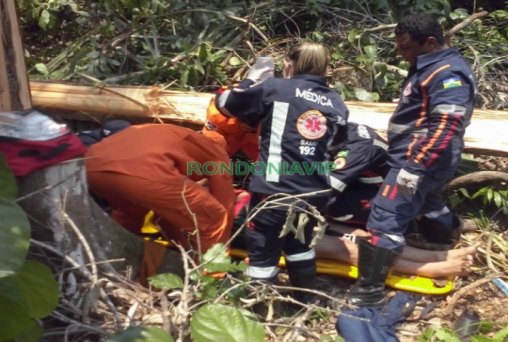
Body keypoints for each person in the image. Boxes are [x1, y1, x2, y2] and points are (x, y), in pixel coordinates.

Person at [345, 13, 477, 307]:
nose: (401, 54)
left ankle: (368, 292)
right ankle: (446, 234)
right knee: (428, 202)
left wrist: (413, 165)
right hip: (423, 160)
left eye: (406, 48)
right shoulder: (427, 67)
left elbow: (446, 125)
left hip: (417, 161)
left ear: (430, 42)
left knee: (386, 214)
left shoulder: (448, 74)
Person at [216, 42, 349, 303]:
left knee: (262, 254)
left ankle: (258, 313)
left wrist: (250, 80)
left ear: (290, 66)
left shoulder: (276, 87)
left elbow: (225, 103)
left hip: (274, 192)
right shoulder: (335, 101)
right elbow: (336, 145)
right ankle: (304, 303)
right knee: (300, 246)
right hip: (314, 192)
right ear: (325, 69)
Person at [85, 124, 236, 257]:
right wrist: (222, 239)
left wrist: (182, 246)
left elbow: (165, 210)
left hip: (91, 168)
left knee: (131, 216)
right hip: (143, 171)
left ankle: (109, 256)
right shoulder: (216, 152)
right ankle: (213, 279)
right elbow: (225, 203)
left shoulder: (172, 134)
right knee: (214, 218)